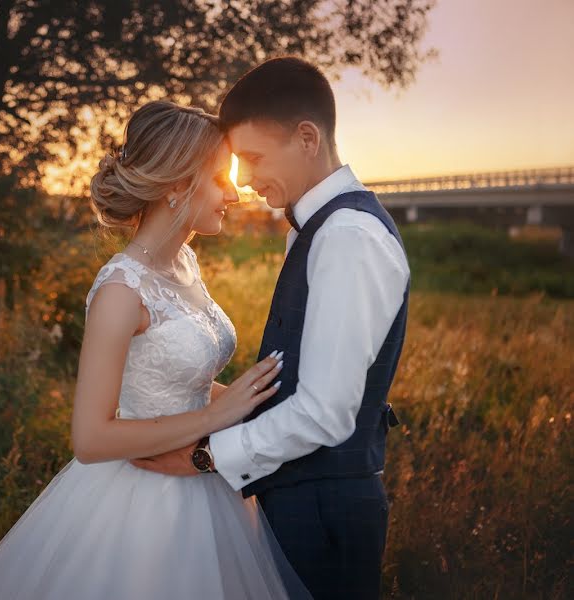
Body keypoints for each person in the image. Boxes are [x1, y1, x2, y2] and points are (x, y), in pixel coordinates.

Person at [0, 100, 311, 600]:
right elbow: (91, 438)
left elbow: (178, 381)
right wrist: (218, 414)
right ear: (177, 184)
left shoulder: (184, 262)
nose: (234, 191)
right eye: (219, 177)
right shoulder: (122, 290)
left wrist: (261, 398)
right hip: (141, 500)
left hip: (207, 480)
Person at [131, 58, 411, 600]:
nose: (246, 181)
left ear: (307, 137)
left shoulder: (348, 237)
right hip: (298, 499)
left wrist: (205, 456)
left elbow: (325, 413)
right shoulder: (317, 230)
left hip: (325, 510)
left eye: (253, 158)